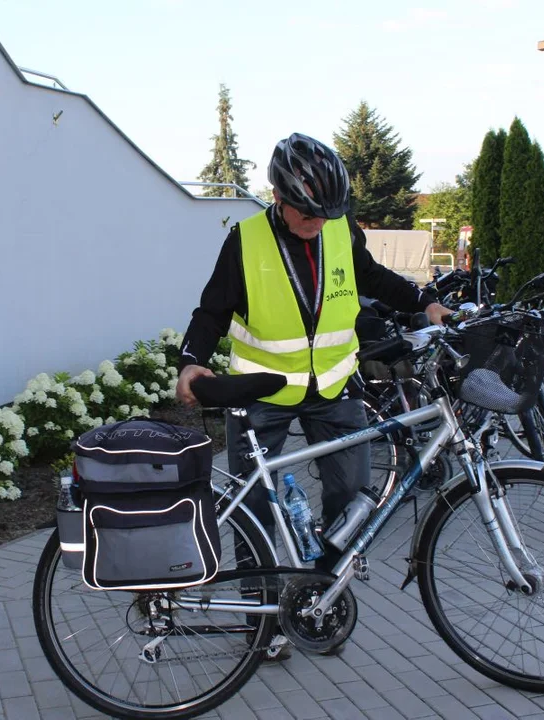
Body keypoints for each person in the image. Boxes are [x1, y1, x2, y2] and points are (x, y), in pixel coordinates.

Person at [175, 133, 449, 654]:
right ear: (277, 196)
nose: (317, 221)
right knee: (252, 508)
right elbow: (211, 310)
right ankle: (260, 622)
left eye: (327, 212)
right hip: (263, 392)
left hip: (333, 387)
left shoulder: (340, 228)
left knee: (351, 502)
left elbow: (373, 278)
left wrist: (425, 301)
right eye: (306, 211)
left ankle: (318, 607)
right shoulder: (246, 240)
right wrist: (191, 361)